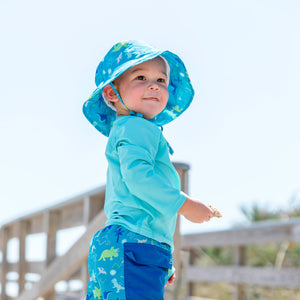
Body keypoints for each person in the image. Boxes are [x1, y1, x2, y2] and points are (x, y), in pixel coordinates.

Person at [83, 40, 217, 300]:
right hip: (133, 244)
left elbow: (141, 206)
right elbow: (139, 179)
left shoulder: (128, 129)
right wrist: (184, 204)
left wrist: (163, 255)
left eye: (161, 80)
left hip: (126, 244)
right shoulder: (137, 128)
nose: (154, 85)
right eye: (141, 77)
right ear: (112, 93)